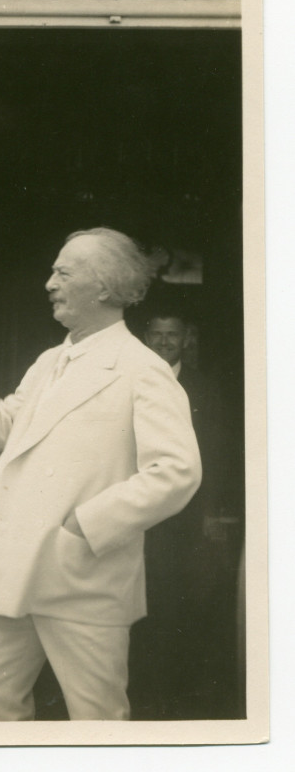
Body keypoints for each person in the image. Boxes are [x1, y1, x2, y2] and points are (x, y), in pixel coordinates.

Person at [0, 228, 201, 721]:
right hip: (18, 569)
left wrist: (89, 522)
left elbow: (177, 471)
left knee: (96, 718)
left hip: (82, 573)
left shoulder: (142, 368)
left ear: (102, 287)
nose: (49, 283)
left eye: (63, 272)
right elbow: (6, 428)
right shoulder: (49, 361)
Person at [130, 307, 240, 718]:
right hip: (135, 514)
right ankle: (139, 694)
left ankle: (173, 699)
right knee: (134, 602)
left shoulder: (204, 389)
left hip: (186, 517)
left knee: (178, 605)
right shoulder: (129, 383)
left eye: (171, 334)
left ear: (185, 339)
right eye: (156, 333)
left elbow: (216, 454)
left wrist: (211, 513)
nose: (163, 342)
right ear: (145, 336)